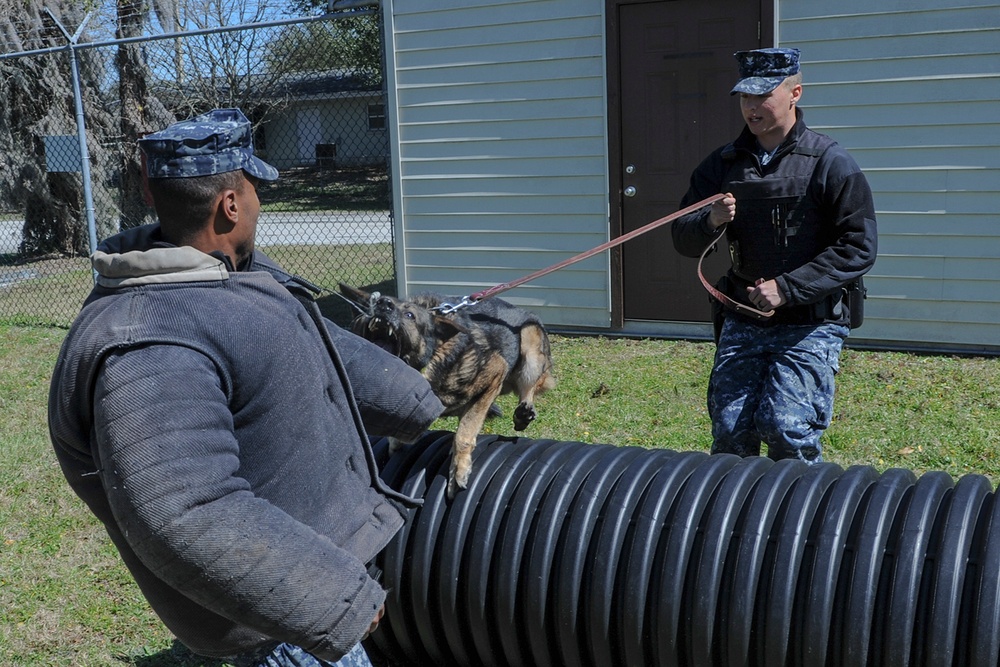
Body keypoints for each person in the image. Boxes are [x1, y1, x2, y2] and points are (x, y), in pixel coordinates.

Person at [47, 108, 445, 667]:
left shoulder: (229, 275)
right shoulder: (149, 343)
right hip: (278, 630)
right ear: (229, 204)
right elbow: (184, 511)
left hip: (306, 582)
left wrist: (420, 402)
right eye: (254, 185)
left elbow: (312, 346)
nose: (260, 199)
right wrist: (333, 597)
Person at [671, 48, 877, 464]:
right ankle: (732, 521)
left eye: (763, 96)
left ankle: (798, 522)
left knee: (787, 430)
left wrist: (787, 288)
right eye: (745, 97)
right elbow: (681, 236)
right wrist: (709, 222)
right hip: (744, 315)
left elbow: (858, 246)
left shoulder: (830, 163)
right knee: (730, 432)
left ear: (795, 93)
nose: (751, 107)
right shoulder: (723, 165)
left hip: (810, 320)